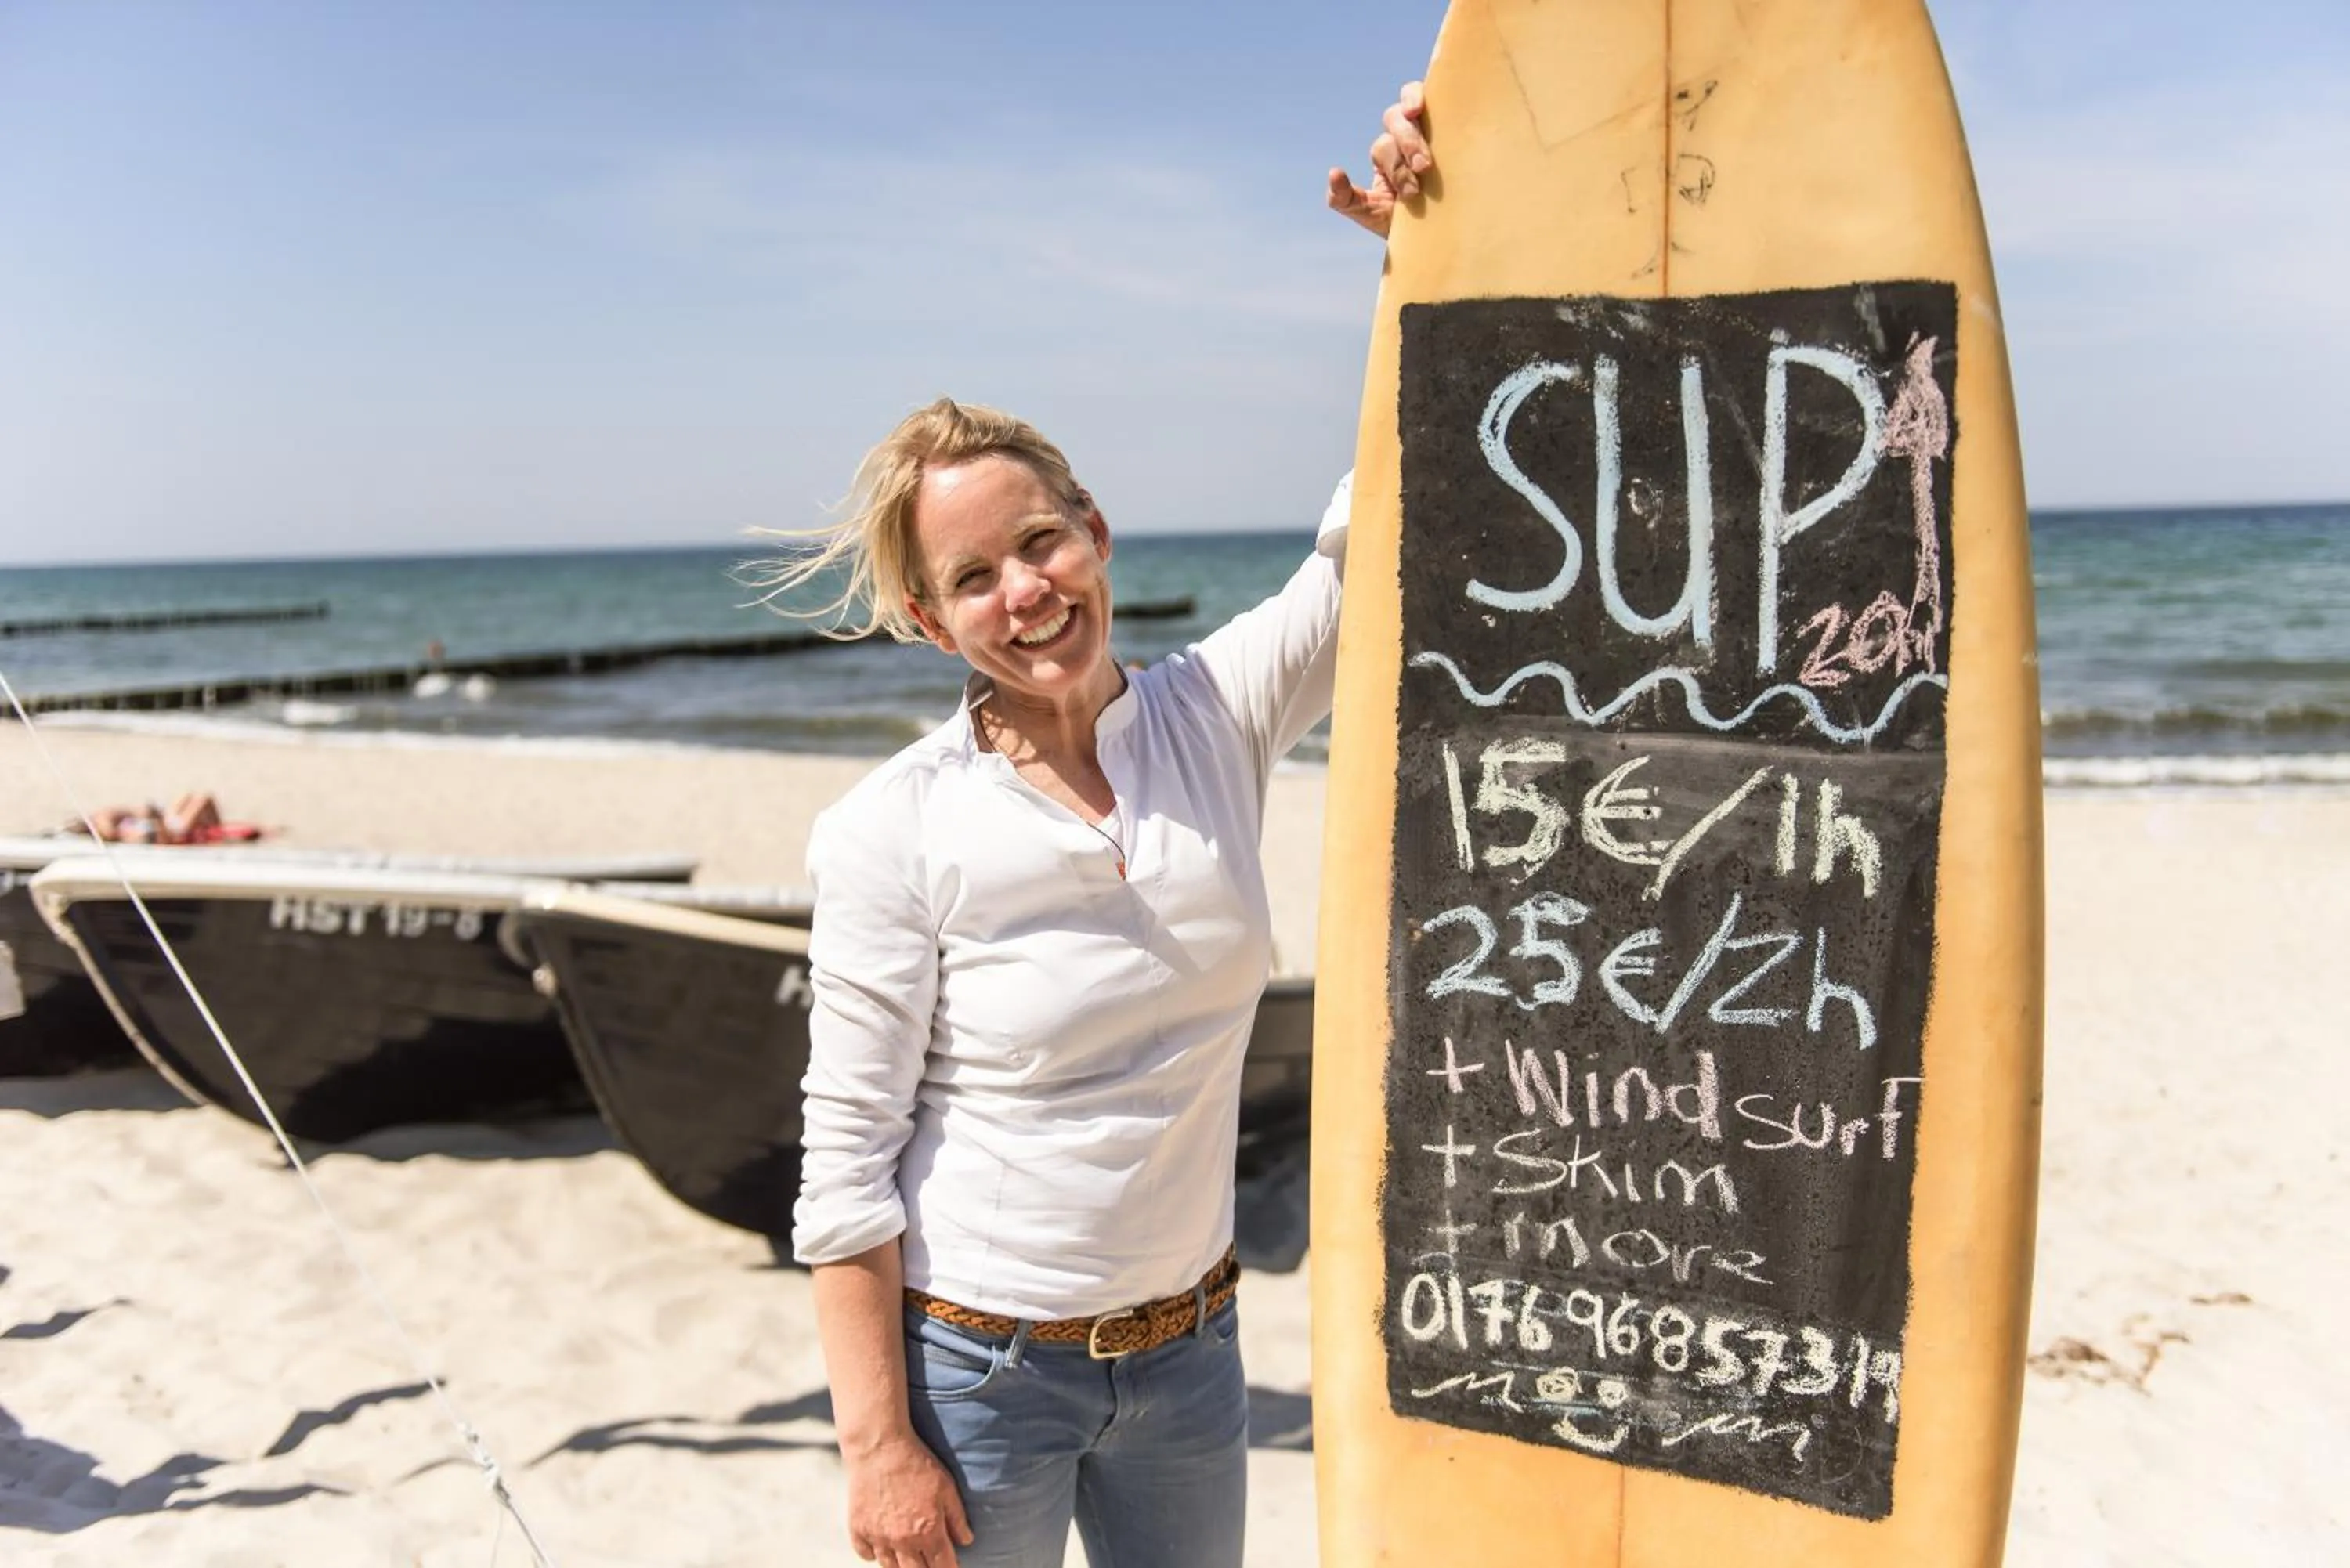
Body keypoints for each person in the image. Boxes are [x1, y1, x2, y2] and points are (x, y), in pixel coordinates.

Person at [776, 85, 1435, 1568]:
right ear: (926, 618)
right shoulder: (893, 829)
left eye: (1041, 539)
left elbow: (1375, 528)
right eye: (975, 576)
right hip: (980, 1377)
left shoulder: (1218, 709)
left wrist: (1418, 265)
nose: (1026, 590)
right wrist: (879, 1450)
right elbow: (845, 1166)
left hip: (1195, 1361)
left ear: (1096, 530)